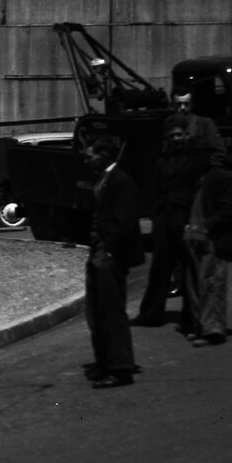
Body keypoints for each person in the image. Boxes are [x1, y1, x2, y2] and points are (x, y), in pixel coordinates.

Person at [133, 113, 208, 327]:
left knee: (189, 269)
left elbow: (196, 192)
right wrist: (156, 217)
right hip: (164, 219)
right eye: (172, 135)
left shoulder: (194, 162)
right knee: (160, 268)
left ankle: (193, 317)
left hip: (184, 218)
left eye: (179, 135)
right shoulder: (161, 162)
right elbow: (156, 191)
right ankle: (151, 314)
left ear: (185, 136)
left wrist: (191, 221)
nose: (176, 139)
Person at [84, 138, 144, 388]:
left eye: (90, 156)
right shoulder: (103, 179)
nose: (86, 161)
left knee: (111, 312)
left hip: (109, 256)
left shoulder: (121, 182)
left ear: (105, 155)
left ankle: (120, 369)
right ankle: (105, 363)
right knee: (97, 312)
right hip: (98, 252)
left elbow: (125, 222)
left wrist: (109, 251)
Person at [181, 144, 232, 346]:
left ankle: (212, 331)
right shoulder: (196, 178)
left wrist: (207, 226)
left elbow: (228, 210)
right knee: (195, 286)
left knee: (212, 284)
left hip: (212, 239)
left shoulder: (222, 177)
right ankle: (199, 326)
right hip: (193, 238)